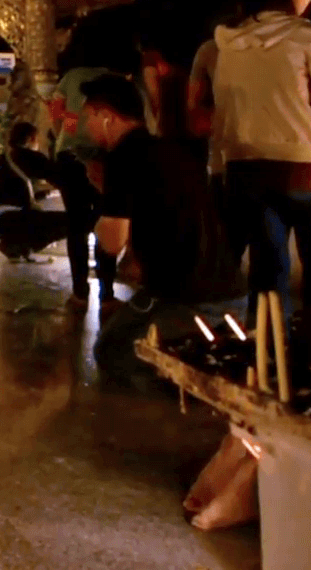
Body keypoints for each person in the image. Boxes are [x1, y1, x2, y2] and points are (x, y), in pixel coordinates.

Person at [82, 75, 244, 388]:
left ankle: (198, 373)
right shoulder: (170, 151)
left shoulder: (121, 157)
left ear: (106, 117)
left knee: (111, 351)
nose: (85, 126)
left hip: (190, 297)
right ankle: (207, 343)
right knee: (123, 333)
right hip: (230, 288)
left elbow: (112, 242)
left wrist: (106, 203)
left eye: (88, 116)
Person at [212, 0, 311, 317]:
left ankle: (267, 355)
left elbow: (223, 106)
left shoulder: (229, 42)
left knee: (267, 274)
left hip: (246, 169)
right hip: (302, 168)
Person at [47, 30, 128, 316]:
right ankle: (107, 294)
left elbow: (55, 114)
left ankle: (80, 292)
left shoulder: (71, 77)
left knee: (77, 227)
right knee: (107, 223)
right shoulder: (115, 79)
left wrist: (64, 139)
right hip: (105, 159)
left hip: (70, 158)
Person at [0, 121, 67, 259]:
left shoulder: (3, 158)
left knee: (35, 215)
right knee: (70, 221)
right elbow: (59, 178)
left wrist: (46, 193)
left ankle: (16, 246)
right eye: (36, 139)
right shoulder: (32, 157)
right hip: (14, 220)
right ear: (30, 139)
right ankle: (20, 245)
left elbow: (14, 195)